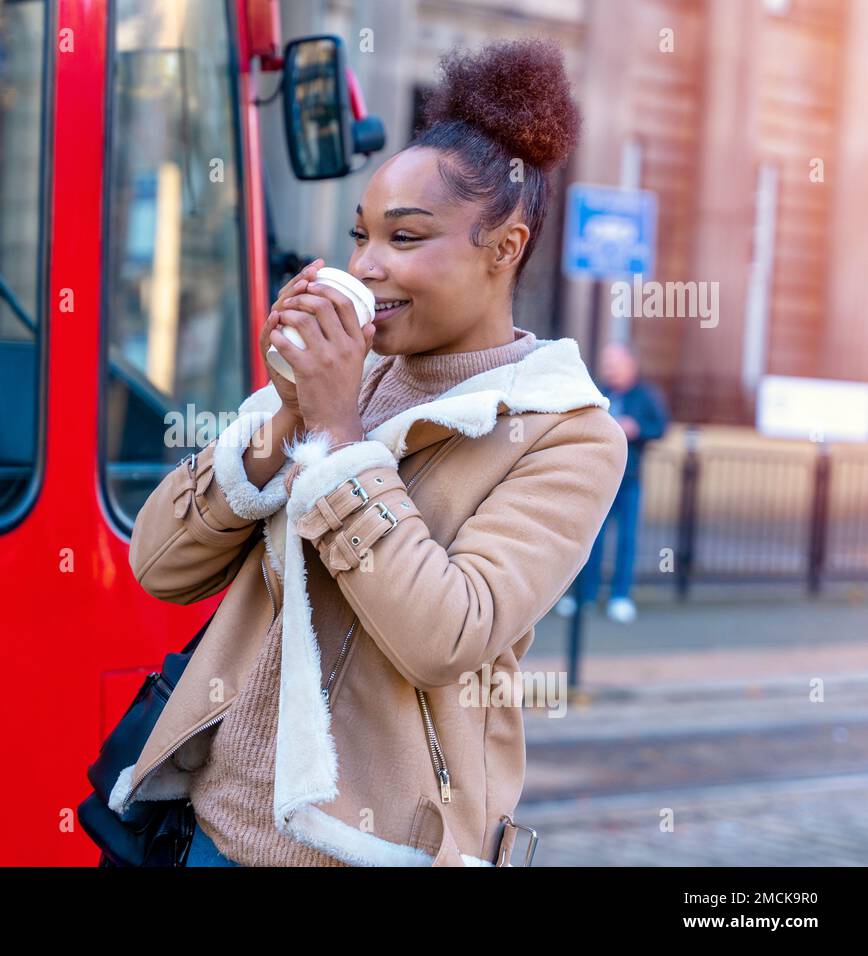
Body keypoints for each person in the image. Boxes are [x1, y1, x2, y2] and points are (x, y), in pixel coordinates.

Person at [110, 39, 627, 867]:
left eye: (406, 237)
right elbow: (160, 564)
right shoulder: (347, 376)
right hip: (209, 834)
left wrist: (342, 437)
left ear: (505, 247)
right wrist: (285, 410)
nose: (366, 266)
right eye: (360, 236)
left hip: (368, 851)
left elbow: (446, 635)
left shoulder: (568, 432)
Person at [555, 341, 669, 623]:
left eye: (615, 363)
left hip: (629, 480)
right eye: (607, 364)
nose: (610, 369)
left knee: (627, 541)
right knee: (591, 540)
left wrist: (638, 428)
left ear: (631, 364)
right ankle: (584, 596)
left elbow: (661, 427)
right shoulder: (598, 392)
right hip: (598, 481)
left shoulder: (646, 395)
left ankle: (620, 596)